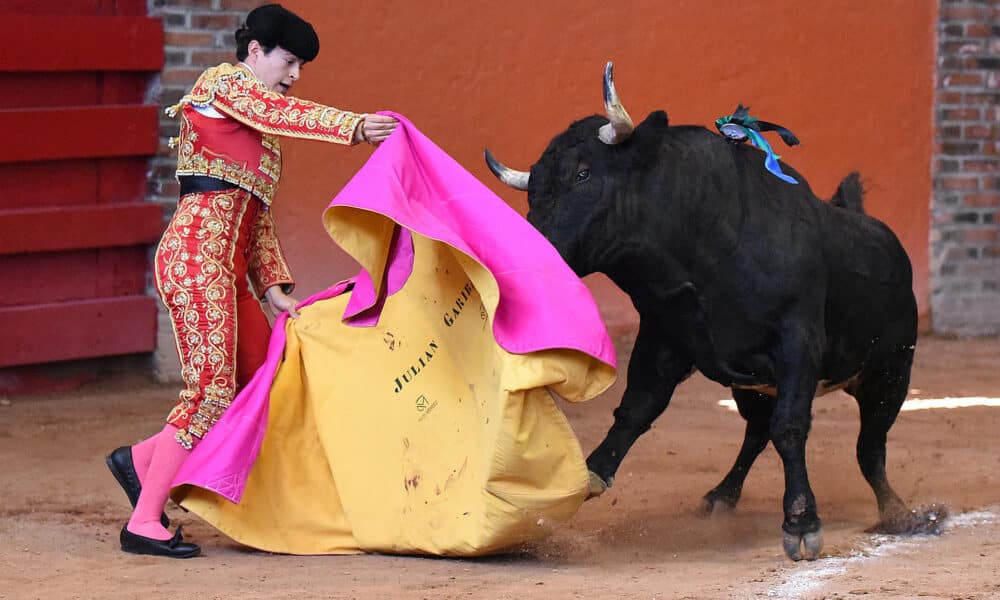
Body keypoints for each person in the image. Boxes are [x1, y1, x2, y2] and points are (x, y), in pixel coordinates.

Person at [104, 3, 398, 558]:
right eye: (288, 62)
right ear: (255, 51)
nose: (294, 76)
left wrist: (272, 288)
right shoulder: (224, 85)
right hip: (195, 261)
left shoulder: (262, 136)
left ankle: (140, 461)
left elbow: (257, 220)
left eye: (301, 68)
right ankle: (143, 522)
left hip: (230, 272)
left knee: (260, 381)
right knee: (212, 392)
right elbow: (279, 113)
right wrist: (353, 127)